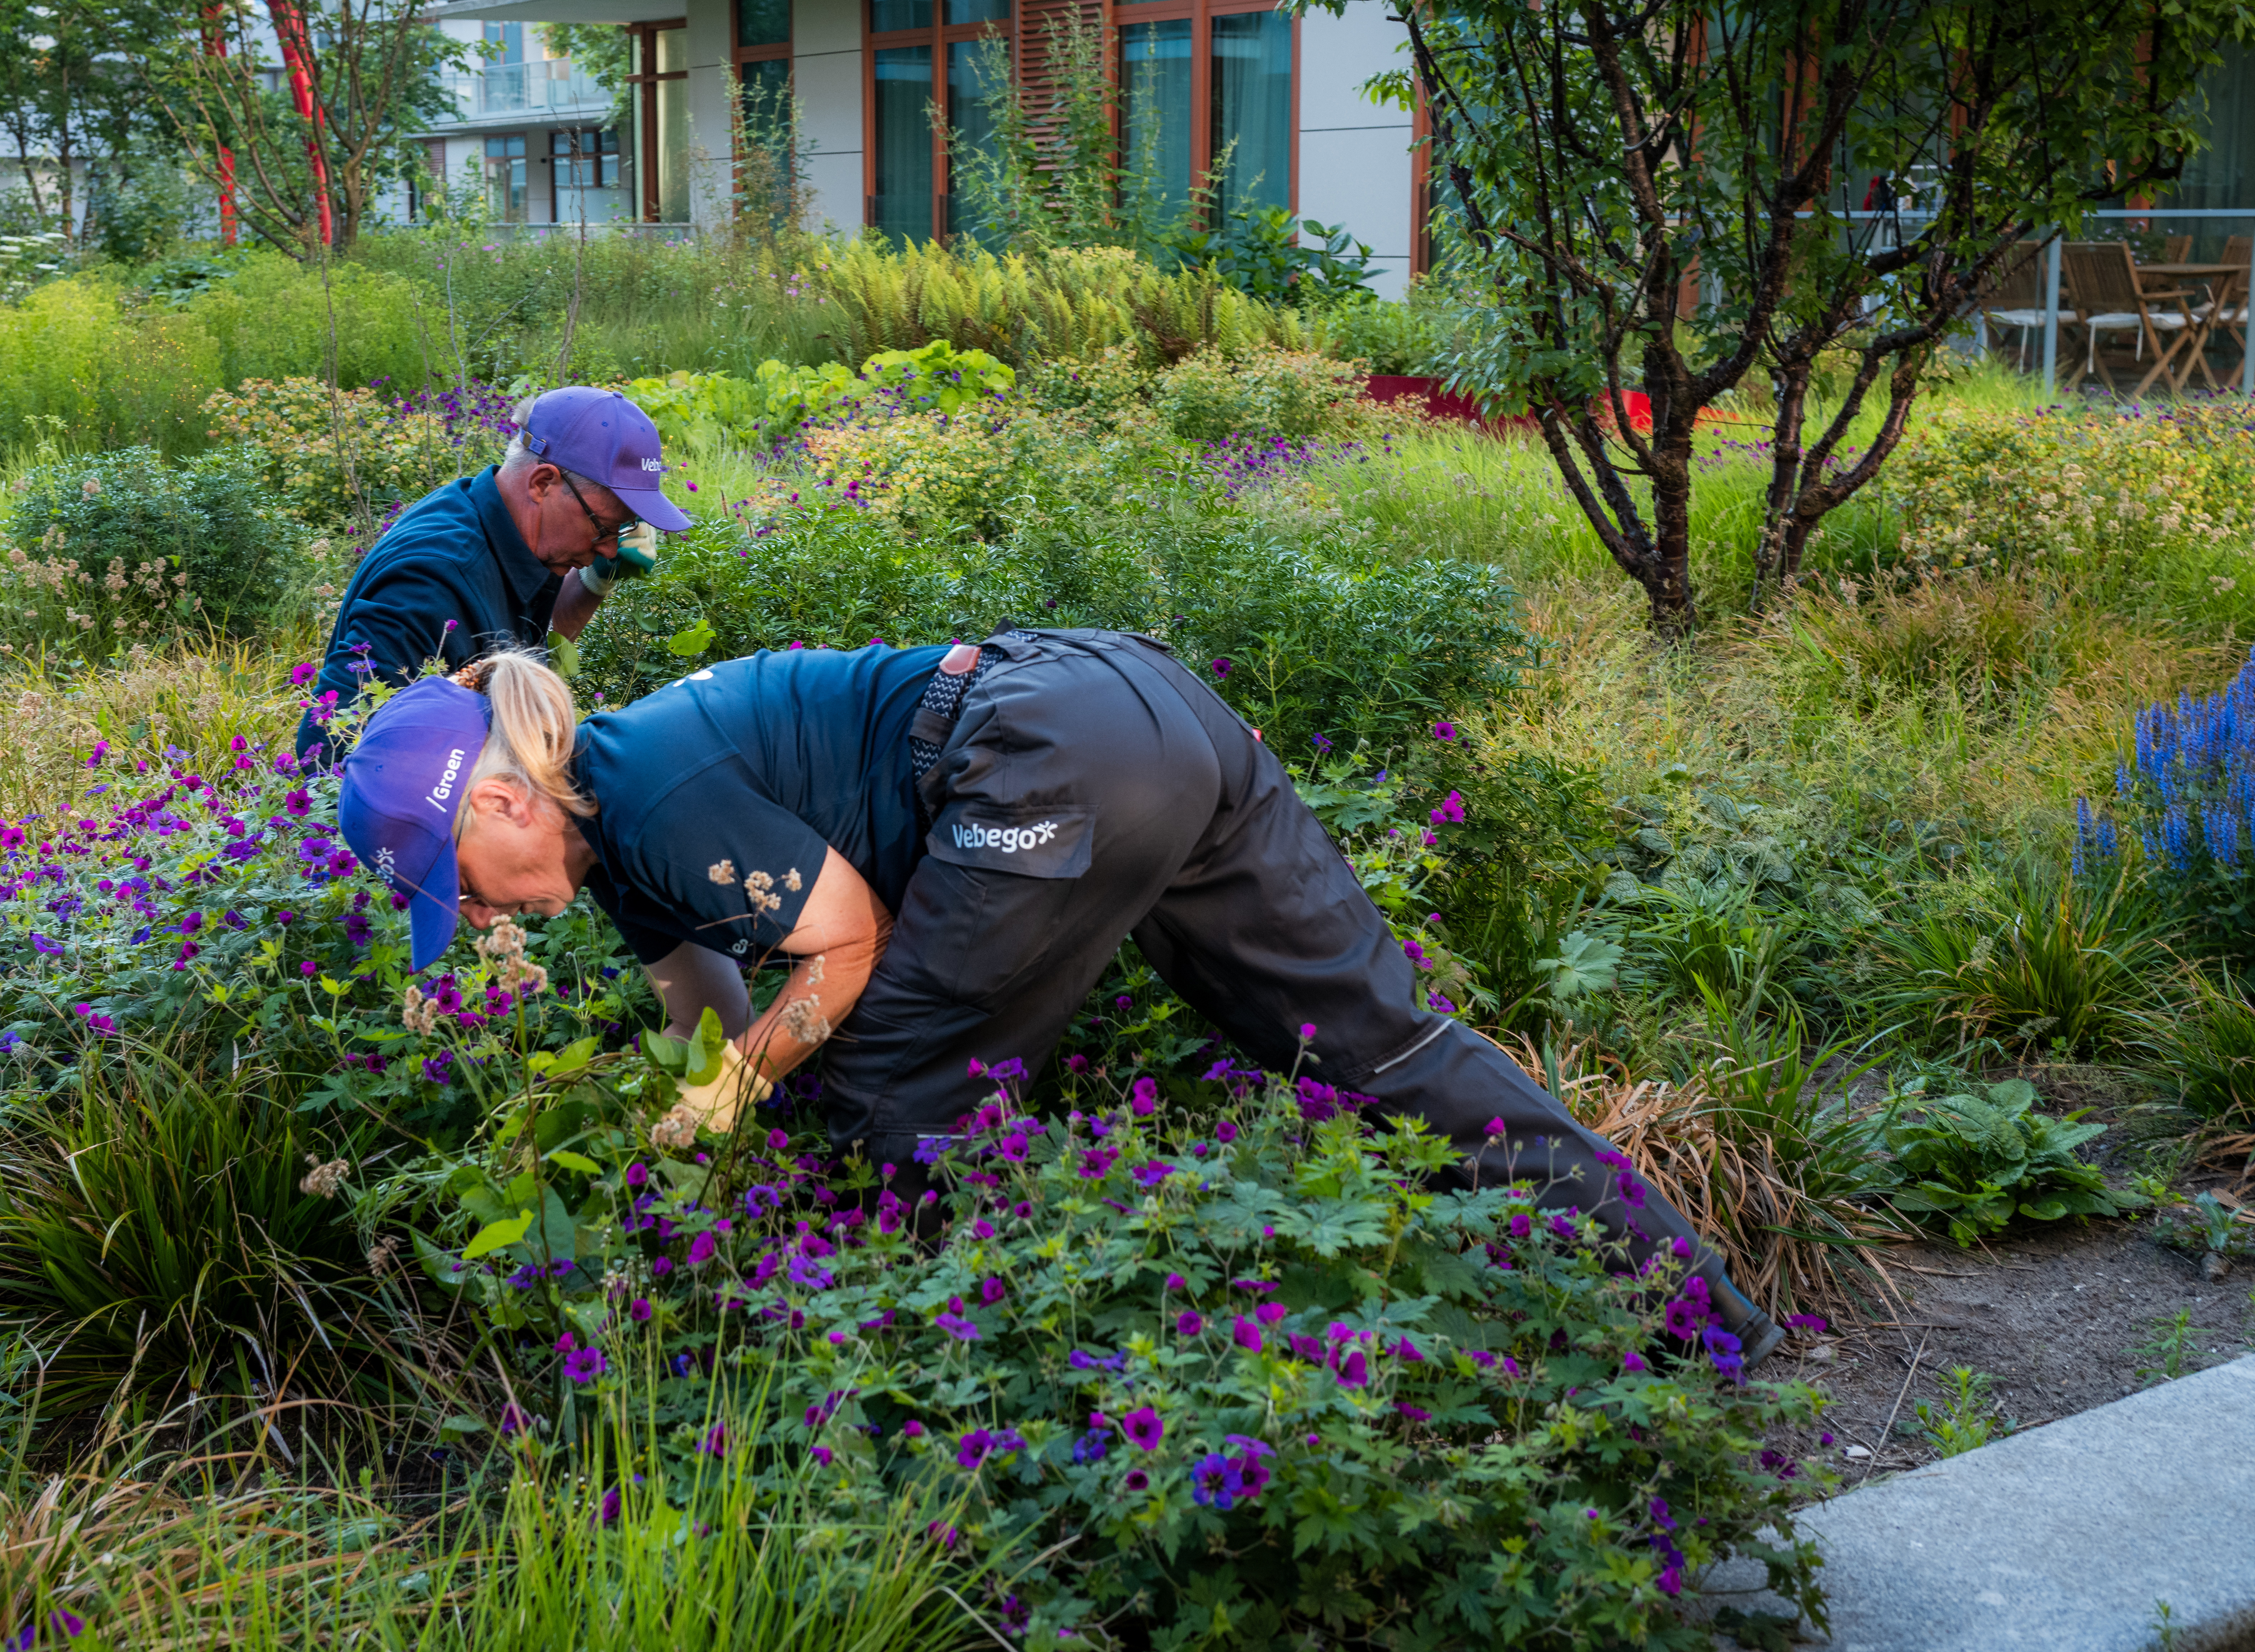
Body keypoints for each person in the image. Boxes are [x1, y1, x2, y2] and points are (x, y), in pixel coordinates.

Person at [335, 628, 1786, 1363]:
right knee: (1375, 1045)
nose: (458, 918)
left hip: (1046, 753)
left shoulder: (654, 788)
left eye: (445, 876)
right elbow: (715, 1021)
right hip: (1142, 704)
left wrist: (737, 1100)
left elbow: (838, 953)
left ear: (510, 800)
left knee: (885, 1087)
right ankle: (1722, 1330)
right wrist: (713, 1092)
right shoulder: (623, 835)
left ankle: (927, 1386)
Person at [291, 386, 691, 767]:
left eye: (622, 531)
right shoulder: (429, 580)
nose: (609, 548)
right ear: (543, 483)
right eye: (605, 526)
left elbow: (530, 652)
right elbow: (332, 748)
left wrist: (596, 581)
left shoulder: (517, 530)